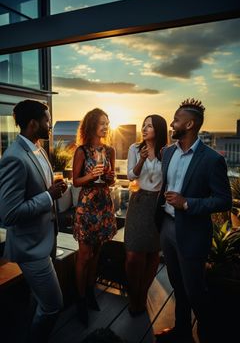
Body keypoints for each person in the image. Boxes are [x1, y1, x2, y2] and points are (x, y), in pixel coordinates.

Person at [154, 98, 232, 343]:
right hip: (167, 227)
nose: (171, 123)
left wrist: (187, 203)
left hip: (192, 232)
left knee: (195, 290)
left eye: (176, 119)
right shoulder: (167, 153)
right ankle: (182, 332)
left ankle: (209, 335)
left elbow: (223, 200)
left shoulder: (212, 160)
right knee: (177, 284)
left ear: (189, 124)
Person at [0, 99, 67, 343]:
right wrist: (48, 195)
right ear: (32, 123)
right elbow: (9, 213)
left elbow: (38, 190)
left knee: (36, 301)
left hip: (46, 239)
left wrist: (51, 190)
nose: (50, 125)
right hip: (30, 248)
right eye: (47, 120)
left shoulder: (38, 148)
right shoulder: (14, 157)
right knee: (52, 305)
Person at [72, 107, 117, 327]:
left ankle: (90, 292)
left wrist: (109, 177)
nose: (106, 126)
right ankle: (80, 300)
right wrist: (90, 175)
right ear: (91, 124)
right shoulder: (81, 151)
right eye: (102, 122)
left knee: (97, 252)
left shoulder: (109, 150)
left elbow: (112, 180)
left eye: (107, 123)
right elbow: (75, 181)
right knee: (84, 254)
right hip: (87, 207)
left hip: (104, 206)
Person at [124, 114, 168, 316]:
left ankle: (142, 294)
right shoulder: (134, 148)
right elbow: (131, 175)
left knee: (152, 253)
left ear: (158, 129)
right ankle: (133, 294)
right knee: (134, 254)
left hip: (159, 204)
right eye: (143, 125)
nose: (144, 128)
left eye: (149, 126)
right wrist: (141, 159)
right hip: (139, 201)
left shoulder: (167, 152)